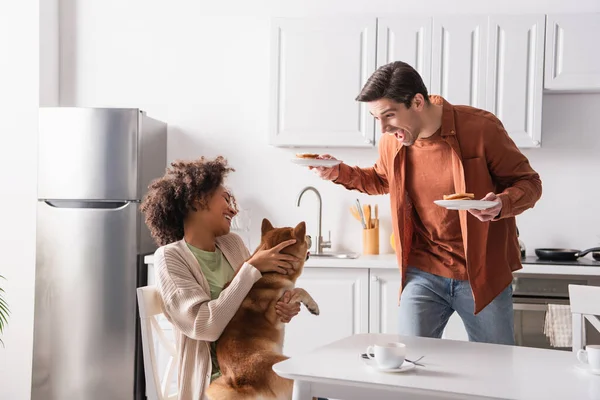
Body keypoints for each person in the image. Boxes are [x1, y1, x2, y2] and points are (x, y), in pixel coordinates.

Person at [311, 61, 542, 345]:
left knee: (495, 366)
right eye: (376, 118)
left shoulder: (481, 128)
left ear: (417, 102)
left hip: (483, 271)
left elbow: (530, 183)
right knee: (408, 361)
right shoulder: (394, 141)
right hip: (424, 271)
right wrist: (338, 172)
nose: (383, 128)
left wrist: (502, 204)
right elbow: (383, 180)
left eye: (389, 115)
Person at [140, 156, 302, 400]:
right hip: (217, 385)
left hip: (253, 372)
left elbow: (254, 313)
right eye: (226, 198)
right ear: (197, 199)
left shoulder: (233, 245)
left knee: (316, 387)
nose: (233, 209)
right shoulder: (170, 258)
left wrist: (280, 311)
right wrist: (251, 268)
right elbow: (206, 326)